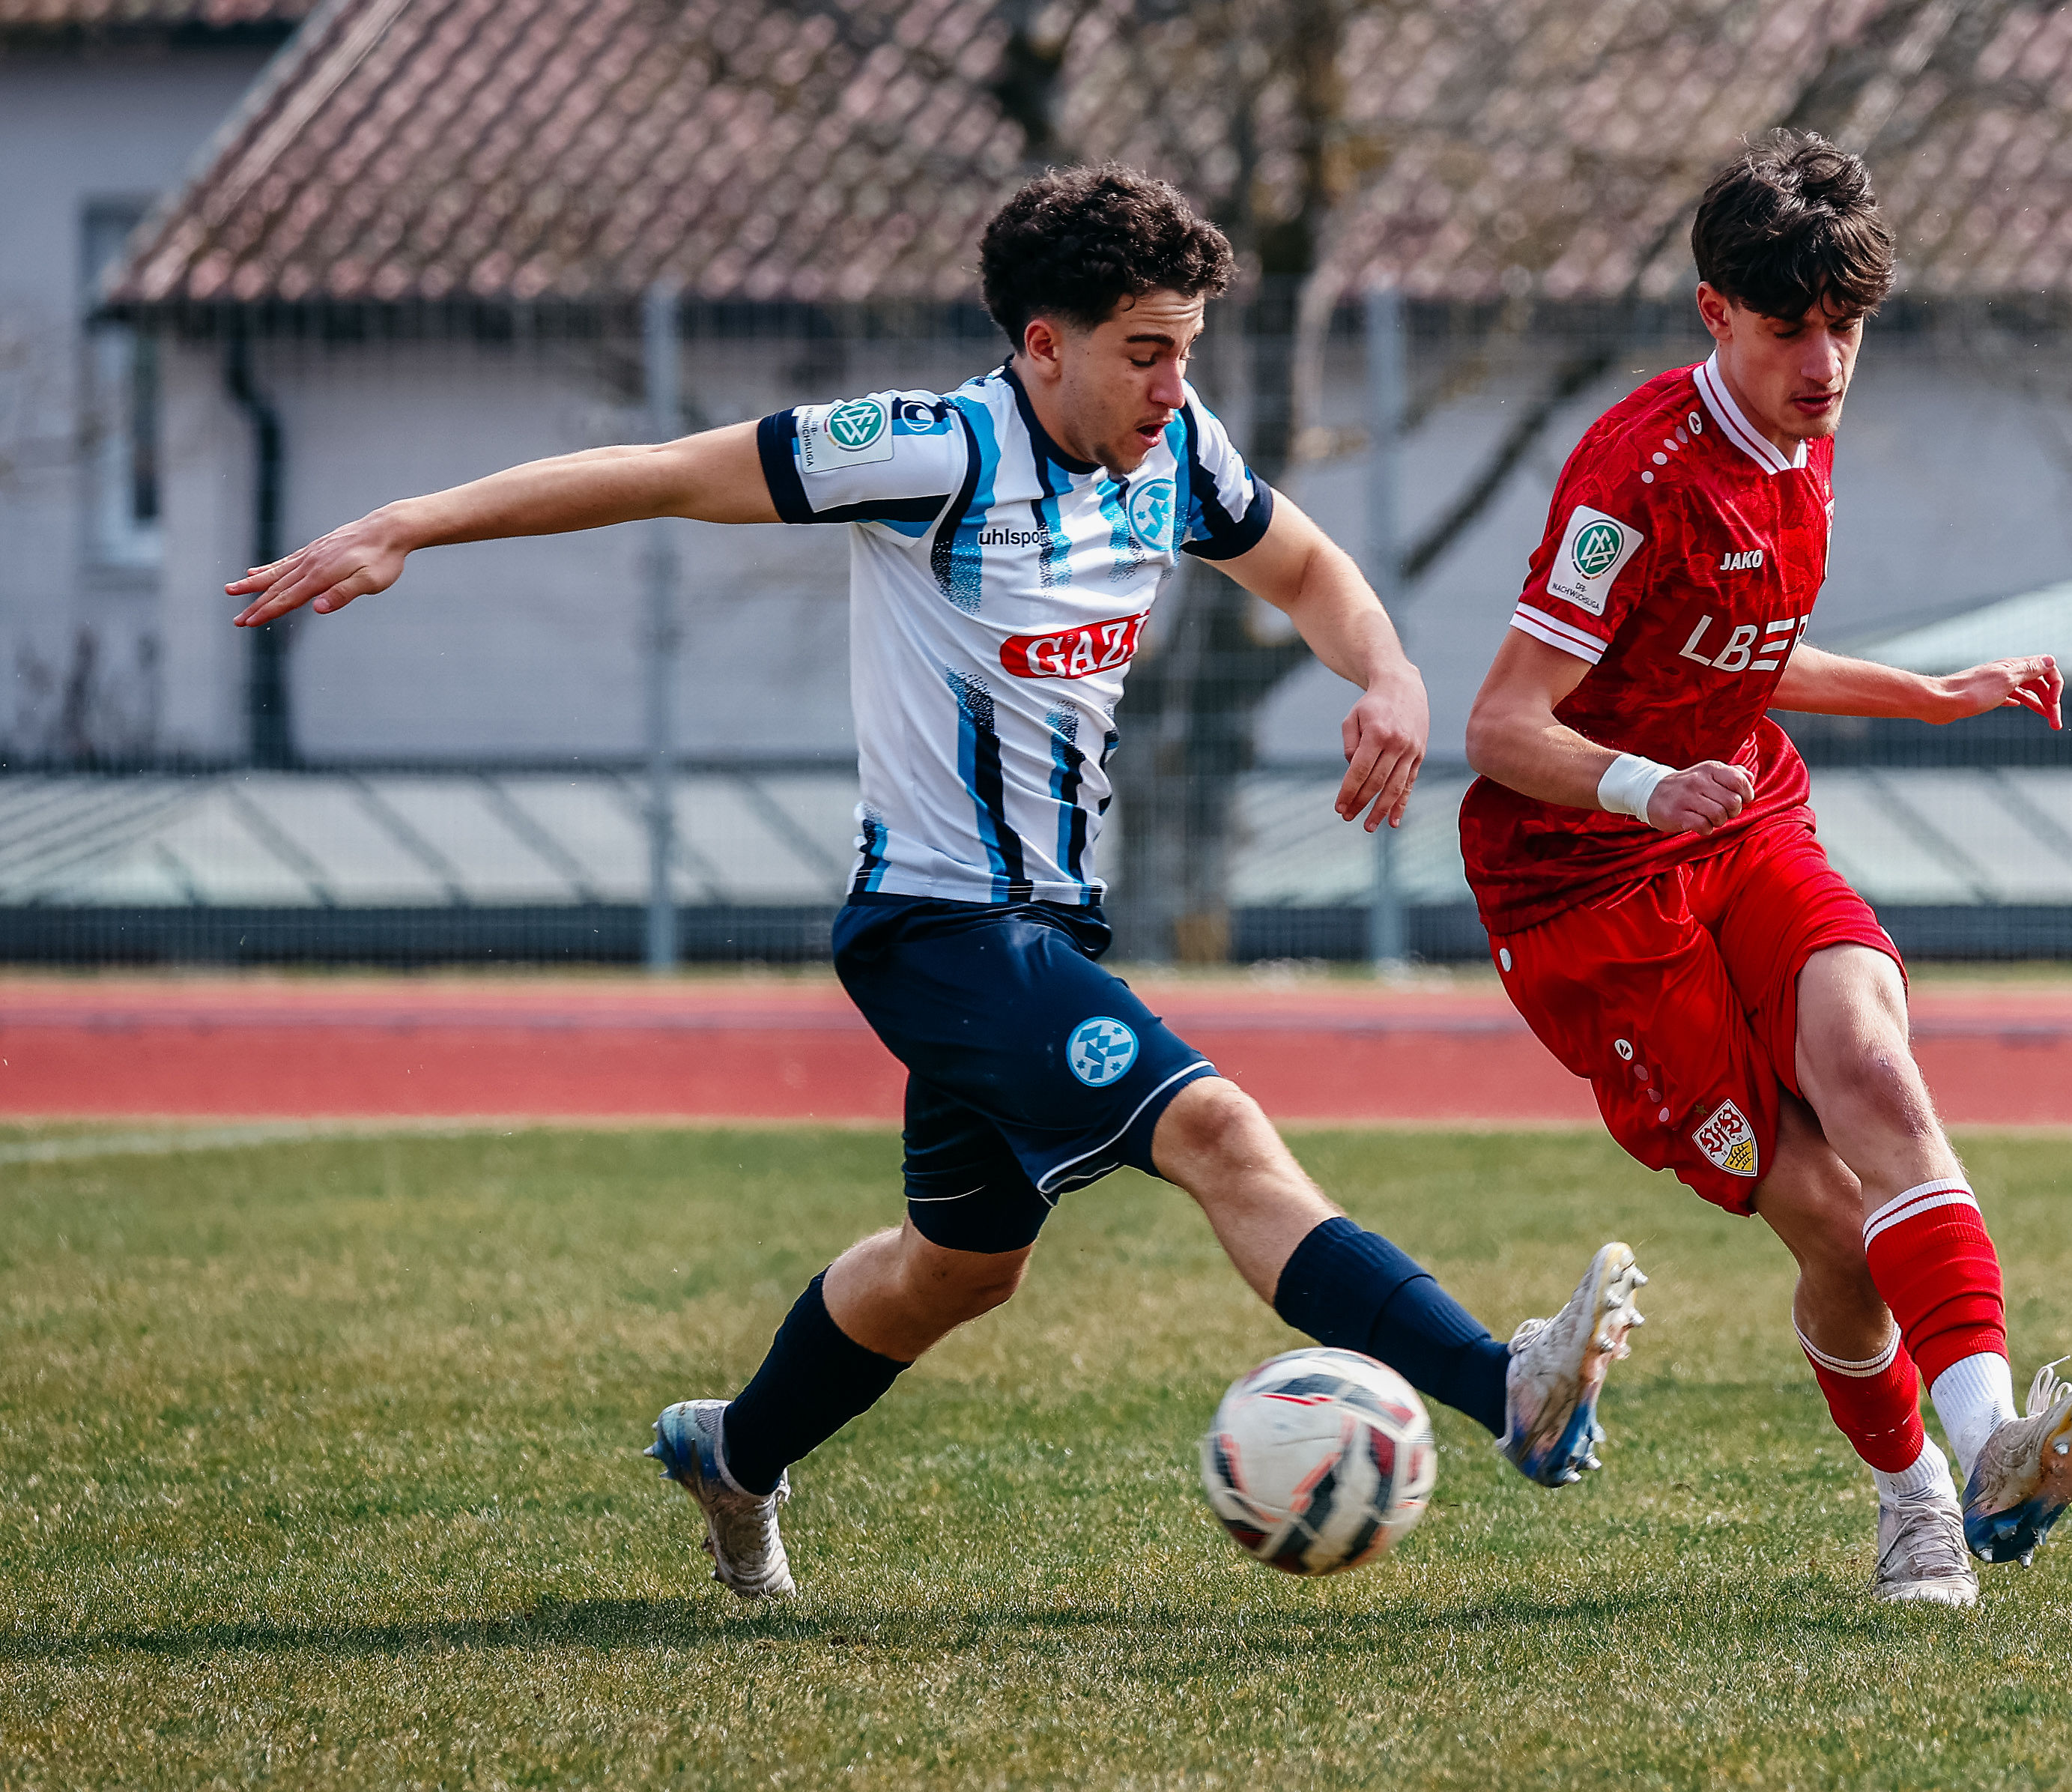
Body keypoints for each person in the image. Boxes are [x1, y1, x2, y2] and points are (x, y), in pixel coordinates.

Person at [222, 165, 1647, 1597]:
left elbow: (1306, 566)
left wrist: (1389, 671)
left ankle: (736, 1454)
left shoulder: (1179, 453)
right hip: (938, 929)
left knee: (959, 1267)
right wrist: (408, 521)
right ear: (1044, 343)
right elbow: (661, 472)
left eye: (1186, 352)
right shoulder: (927, 450)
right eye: (1144, 350)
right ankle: (1502, 1387)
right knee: (1215, 1131)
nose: (1172, 383)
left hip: (1044, 928)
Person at [1458, 131, 2072, 1609]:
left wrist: (1931, 691)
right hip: (1585, 888)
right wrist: (1647, 785)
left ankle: (1989, 1451)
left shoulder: (1801, 439)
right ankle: (1912, 1494)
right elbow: (1502, 724)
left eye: (1845, 327)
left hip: (1743, 819)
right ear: (1715, 313)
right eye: (1789, 328)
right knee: (1833, 1221)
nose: (1823, 360)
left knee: (1873, 1065)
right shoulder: (1632, 475)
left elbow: (1743, 655)